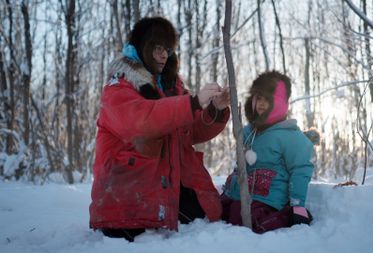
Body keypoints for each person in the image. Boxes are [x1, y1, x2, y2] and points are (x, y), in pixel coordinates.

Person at [89, 16, 230, 242]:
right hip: (126, 202)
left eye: (167, 49)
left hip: (167, 193)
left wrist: (215, 109)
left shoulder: (171, 88)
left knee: (214, 216)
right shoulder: (119, 86)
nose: (164, 54)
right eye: (157, 48)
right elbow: (143, 120)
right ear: (143, 48)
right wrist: (192, 102)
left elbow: (192, 131)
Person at [221, 71, 314, 233]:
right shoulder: (249, 133)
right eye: (258, 98)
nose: (261, 104)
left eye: (267, 99)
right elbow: (243, 167)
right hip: (246, 196)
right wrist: (231, 188)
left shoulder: (289, 135)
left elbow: (300, 170)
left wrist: (297, 206)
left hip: (270, 200)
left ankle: (284, 216)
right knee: (223, 211)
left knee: (251, 221)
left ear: (279, 103)